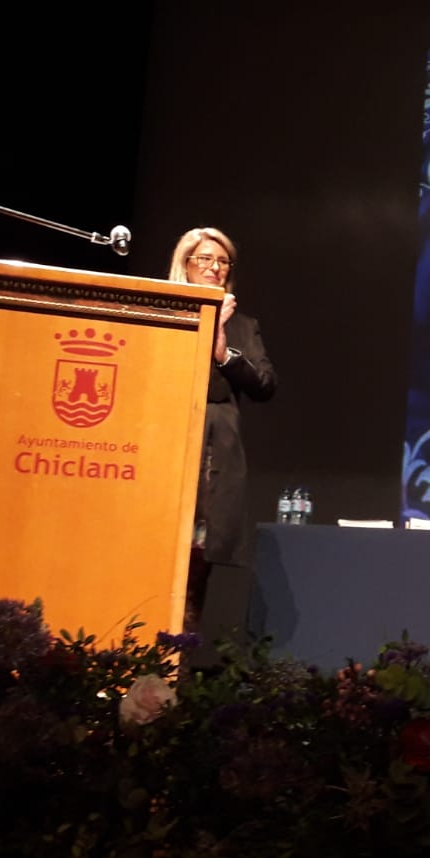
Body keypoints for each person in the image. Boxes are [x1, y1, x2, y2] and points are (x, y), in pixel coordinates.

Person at [168, 227, 277, 632]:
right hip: (167, 451)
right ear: (185, 265)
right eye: (204, 259)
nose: (214, 268)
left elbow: (265, 385)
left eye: (221, 261)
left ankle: (176, 667)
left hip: (213, 461)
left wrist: (223, 352)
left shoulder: (243, 326)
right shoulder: (164, 313)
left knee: (196, 573)